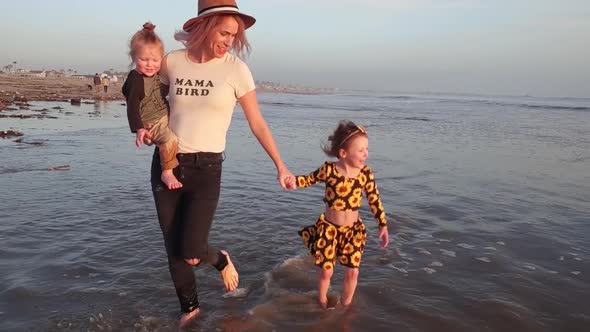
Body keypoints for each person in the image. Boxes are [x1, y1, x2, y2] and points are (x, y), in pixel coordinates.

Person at [150, 0, 295, 326]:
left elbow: (257, 122)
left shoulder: (235, 70)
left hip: (207, 168)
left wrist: (280, 165)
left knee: (192, 250)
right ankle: (190, 310)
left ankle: (220, 258)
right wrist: (145, 128)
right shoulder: (172, 62)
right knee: (173, 248)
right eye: (224, 32)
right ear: (204, 27)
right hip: (167, 163)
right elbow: (153, 106)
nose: (230, 41)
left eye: (234, 35)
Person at [292, 120, 389, 309]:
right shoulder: (329, 170)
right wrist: (292, 181)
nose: (366, 154)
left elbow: (374, 200)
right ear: (343, 153)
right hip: (329, 230)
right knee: (327, 272)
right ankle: (322, 302)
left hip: (353, 232)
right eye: (361, 150)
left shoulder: (365, 174)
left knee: (353, 272)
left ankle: (346, 305)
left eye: (366, 149)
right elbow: (308, 179)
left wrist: (382, 225)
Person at [123, 22, 182, 190]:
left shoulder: (158, 75)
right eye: (144, 60)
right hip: (152, 121)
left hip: (164, 116)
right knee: (170, 140)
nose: (150, 64)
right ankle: (167, 172)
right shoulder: (135, 79)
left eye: (155, 60)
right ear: (134, 58)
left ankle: (152, 139)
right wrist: (139, 129)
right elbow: (132, 106)